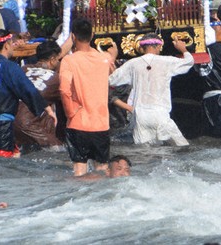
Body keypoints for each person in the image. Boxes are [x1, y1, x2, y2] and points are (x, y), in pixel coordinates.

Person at [109, 34, 194, 146]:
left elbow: (111, 80)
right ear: (158, 46)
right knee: (181, 147)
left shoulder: (132, 64)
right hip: (160, 113)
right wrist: (183, 49)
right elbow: (189, 62)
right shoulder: (167, 61)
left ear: (142, 48)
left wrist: (112, 59)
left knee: (146, 153)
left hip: (140, 115)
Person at [59, 18, 117, 176]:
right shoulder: (104, 59)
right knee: (102, 168)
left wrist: (70, 112)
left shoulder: (69, 60)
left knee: (79, 169)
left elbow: (64, 90)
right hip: (101, 123)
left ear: (73, 37)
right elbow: (114, 73)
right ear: (92, 35)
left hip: (78, 121)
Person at [0, 30, 51, 157]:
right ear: (6, 45)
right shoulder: (10, 67)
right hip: (3, 125)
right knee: (2, 162)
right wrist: (45, 109)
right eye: (12, 42)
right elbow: (27, 89)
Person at [15, 39, 65, 150]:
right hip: (29, 126)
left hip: (9, 123)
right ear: (52, 60)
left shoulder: (23, 69)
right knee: (60, 151)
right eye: (58, 59)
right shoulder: (55, 79)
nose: (58, 63)